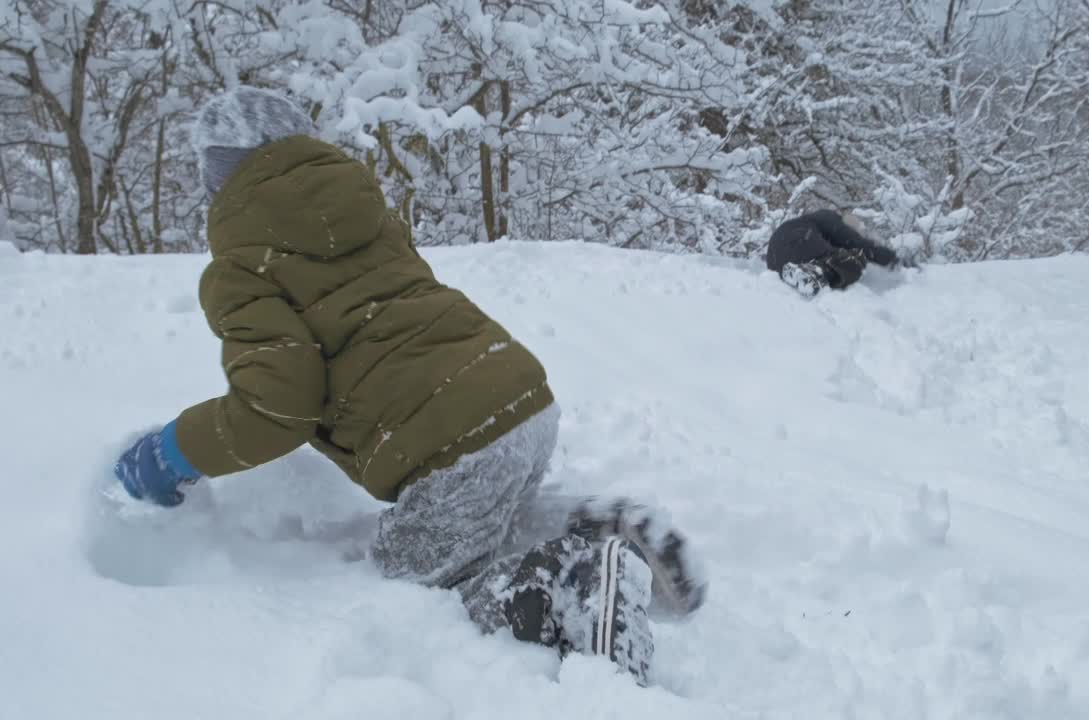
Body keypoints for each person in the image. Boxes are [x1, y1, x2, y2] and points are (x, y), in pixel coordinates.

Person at [110, 87, 706, 685]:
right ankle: (606, 528)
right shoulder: (363, 212)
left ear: (218, 179)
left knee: (416, 581)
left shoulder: (241, 268)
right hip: (518, 395)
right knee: (479, 524)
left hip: (451, 446)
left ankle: (571, 582)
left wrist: (173, 453)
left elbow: (277, 406)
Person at [765, 209, 910, 297]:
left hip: (775, 259)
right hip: (801, 239)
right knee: (853, 261)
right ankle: (815, 273)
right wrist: (895, 261)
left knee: (836, 260)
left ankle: (803, 272)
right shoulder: (829, 220)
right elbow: (861, 245)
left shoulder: (808, 222)